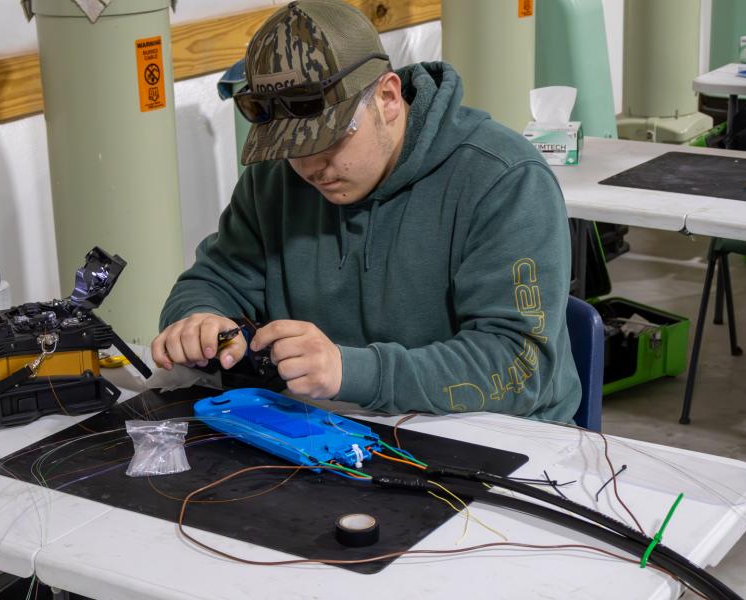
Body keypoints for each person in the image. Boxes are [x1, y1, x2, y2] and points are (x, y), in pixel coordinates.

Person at [152, 0, 581, 422]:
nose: (311, 168)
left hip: (494, 439)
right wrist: (198, 320)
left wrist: (352, 372)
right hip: (326, 426)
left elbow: (520, 366)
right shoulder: (276, 179)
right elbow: (213, 280)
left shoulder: (504, 179)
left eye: (328, 141)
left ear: (388, 97)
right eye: (292, 150)